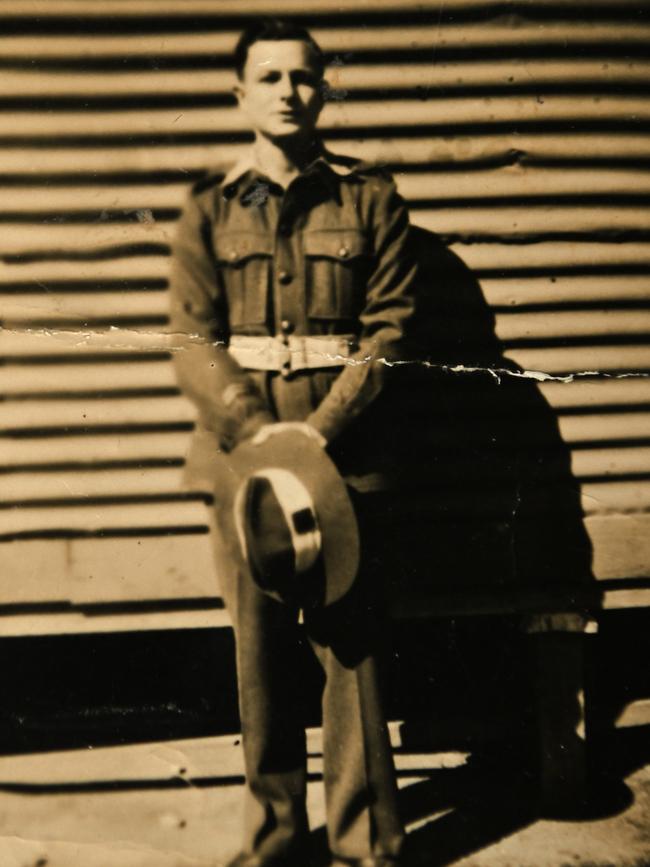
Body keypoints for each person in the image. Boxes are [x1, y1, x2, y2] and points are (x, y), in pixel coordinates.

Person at [169, 18, 421, 867]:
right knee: (260, 658)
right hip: (244, 470)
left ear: (325, 90)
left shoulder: (372, 200)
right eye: (268, 77)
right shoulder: (208, 208)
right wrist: (252, 425)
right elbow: (192, 339)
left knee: (353, 654)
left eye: (304, 77)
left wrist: (314, 436)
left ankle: (365, 843)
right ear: (238, 92)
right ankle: (276, 839)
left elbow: (393, 329)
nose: (288, 92)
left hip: (346, 463)